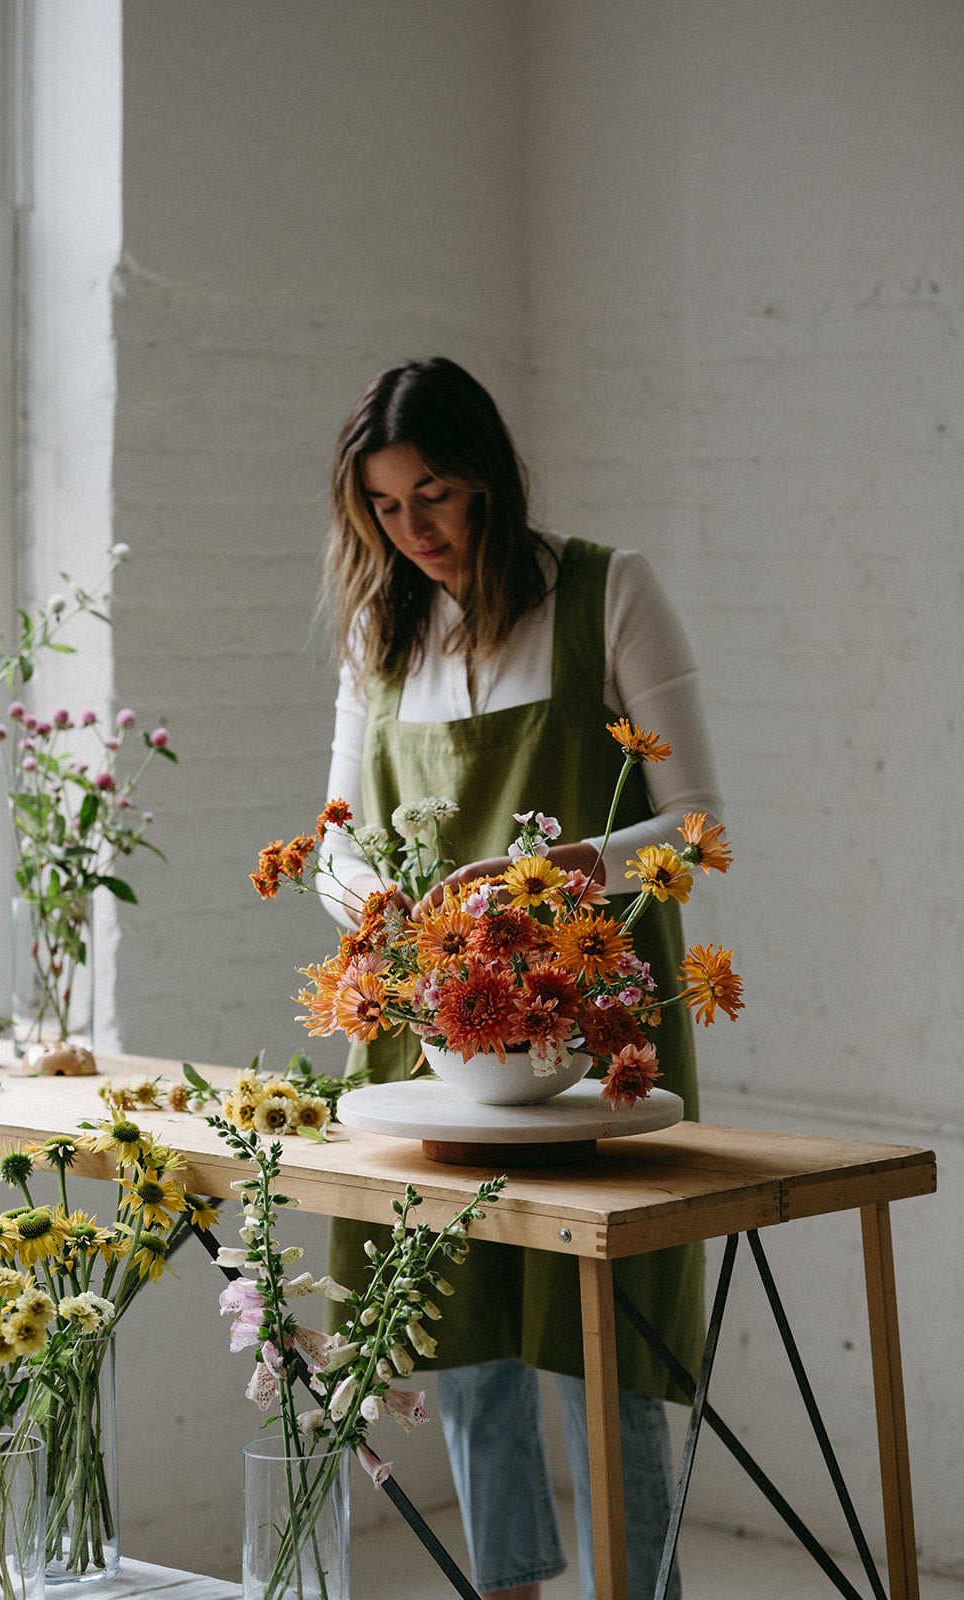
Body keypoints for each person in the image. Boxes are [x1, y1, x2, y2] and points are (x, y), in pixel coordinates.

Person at [317, 357, 723, 1600]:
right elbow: (333, 832)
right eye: (384, 507)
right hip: (427, 1039)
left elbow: (698, 827)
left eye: (431, 492)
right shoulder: (378, 632)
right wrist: (363, 897)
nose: (413, 529)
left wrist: (552, 873)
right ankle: (504, 1590)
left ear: (486, 476)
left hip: (590, 1038)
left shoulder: (607, 592)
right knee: (469, 1334)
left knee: (608, 1347)